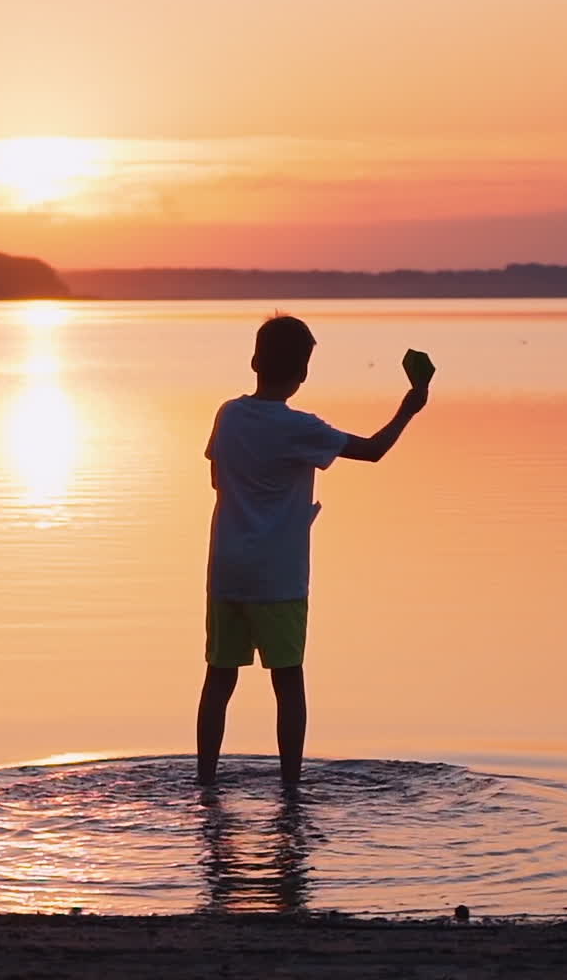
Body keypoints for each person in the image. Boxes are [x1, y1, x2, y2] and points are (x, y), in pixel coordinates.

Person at [196, 314, 432, 789]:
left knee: (219, 680)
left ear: (254, 361)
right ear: (303, 373)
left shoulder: (229, 414)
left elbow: (217, 476)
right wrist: (409, 408)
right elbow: (371, 451)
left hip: (227, 572)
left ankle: (205, 782)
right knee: (288, 684)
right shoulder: (301, 428)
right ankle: (289, 789)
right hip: (278, 578)